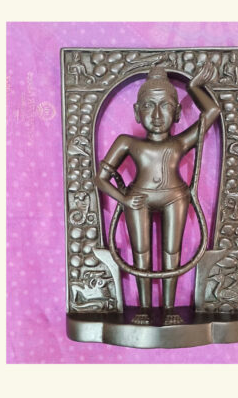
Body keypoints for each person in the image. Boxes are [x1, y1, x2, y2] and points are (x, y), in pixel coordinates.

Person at [94, 63, 220, 325]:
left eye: (165, 106)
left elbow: (212, 111)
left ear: (177, 113)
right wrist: (124, 199)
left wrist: (194, 87)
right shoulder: (127, 142)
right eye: (149, 105)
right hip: (138, 198)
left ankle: (169, 307)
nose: (157, 114)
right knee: (141, 253)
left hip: (175, 196)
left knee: (172, 253)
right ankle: (143, 307)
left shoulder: (179, 142)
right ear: (137, 112)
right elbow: (100, 178)